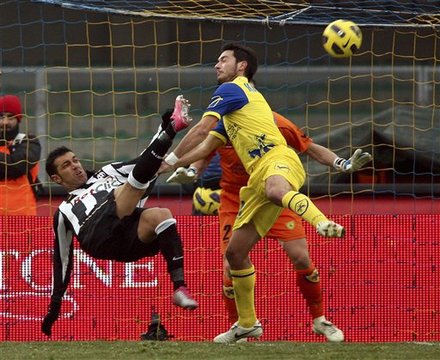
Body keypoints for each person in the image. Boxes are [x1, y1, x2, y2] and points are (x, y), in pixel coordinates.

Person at [159, 43, 352, 343]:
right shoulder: (232, 114)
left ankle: (321, 229)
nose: (216, 65)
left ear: (241, 67)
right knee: (234, 256)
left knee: (299, 253)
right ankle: (246, 325)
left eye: (223, 60)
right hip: (246, 193)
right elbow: (206, 147)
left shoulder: (234, 91)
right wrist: (182, 167)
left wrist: (165, 158)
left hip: (276, 167)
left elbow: (199, 130)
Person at [167, 111, 371, 342]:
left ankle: (320, 320)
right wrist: (192, 171)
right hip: (235, 200)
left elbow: (309, 147)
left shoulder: (274, 121)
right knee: (230, 262)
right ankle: (240, 327)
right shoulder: (221, 124)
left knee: (301, 256)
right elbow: (204, 153)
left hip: (273, 195)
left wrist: (341, 163)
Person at [41, 96, 198, 337]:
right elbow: (63, 259)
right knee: (132, 186)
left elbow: (144, 161)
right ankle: (173, 128)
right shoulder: (63, 211)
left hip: (128, 240)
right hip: (98, 236)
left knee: (161, 214)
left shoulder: (107, 172)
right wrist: (55, 305)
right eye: (66, 166)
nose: (75, 166)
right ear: (57, 179)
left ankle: (179, 288)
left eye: (75, 160)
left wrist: (161, 128)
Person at [0, 94, 42, 216]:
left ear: (18, 119)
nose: (5, 122)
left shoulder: (29, 141)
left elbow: (17, 166)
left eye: (10, 117)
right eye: (1, 117)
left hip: (22, 219)